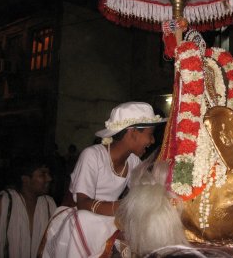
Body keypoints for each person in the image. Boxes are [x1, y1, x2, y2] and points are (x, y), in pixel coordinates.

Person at [40, 102, 166, 257]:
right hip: (80, 219)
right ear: (132, 132)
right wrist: (124, 206)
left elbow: (146, 190)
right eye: (150, 134)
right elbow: (82, 203)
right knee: (86, 219)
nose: (152, 141)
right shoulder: (92, 155)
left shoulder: (133, 162)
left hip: (109, 219)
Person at [0, 154, 56, 258]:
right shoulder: (3, 204)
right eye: (43, 174)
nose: (49, 178)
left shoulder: (49, 204)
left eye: (48, 174)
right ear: (25, 179)